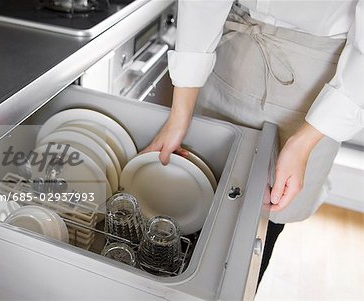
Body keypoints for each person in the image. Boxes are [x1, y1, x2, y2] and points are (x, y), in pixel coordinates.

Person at [143, 0, 363, 285]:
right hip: (233, 53)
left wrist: (302, 144)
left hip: (312, 87)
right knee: (196, 191)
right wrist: (180, 115)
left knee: (261, 221)